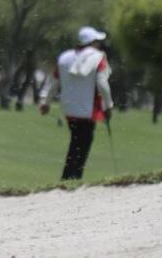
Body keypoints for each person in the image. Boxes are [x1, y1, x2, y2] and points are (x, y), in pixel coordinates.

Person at [39, 26, 114, 181]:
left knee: (76, 142)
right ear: (92, 42)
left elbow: (54, 83)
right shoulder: (98, 57)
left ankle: (69, 177)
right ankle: (72, 178)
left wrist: (46, 102)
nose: (99, 45)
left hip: (69, 109)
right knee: (82, 145)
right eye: (97, 41)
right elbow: (102, 84)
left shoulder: (64, 57)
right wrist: (108, 106)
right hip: (87, 111)